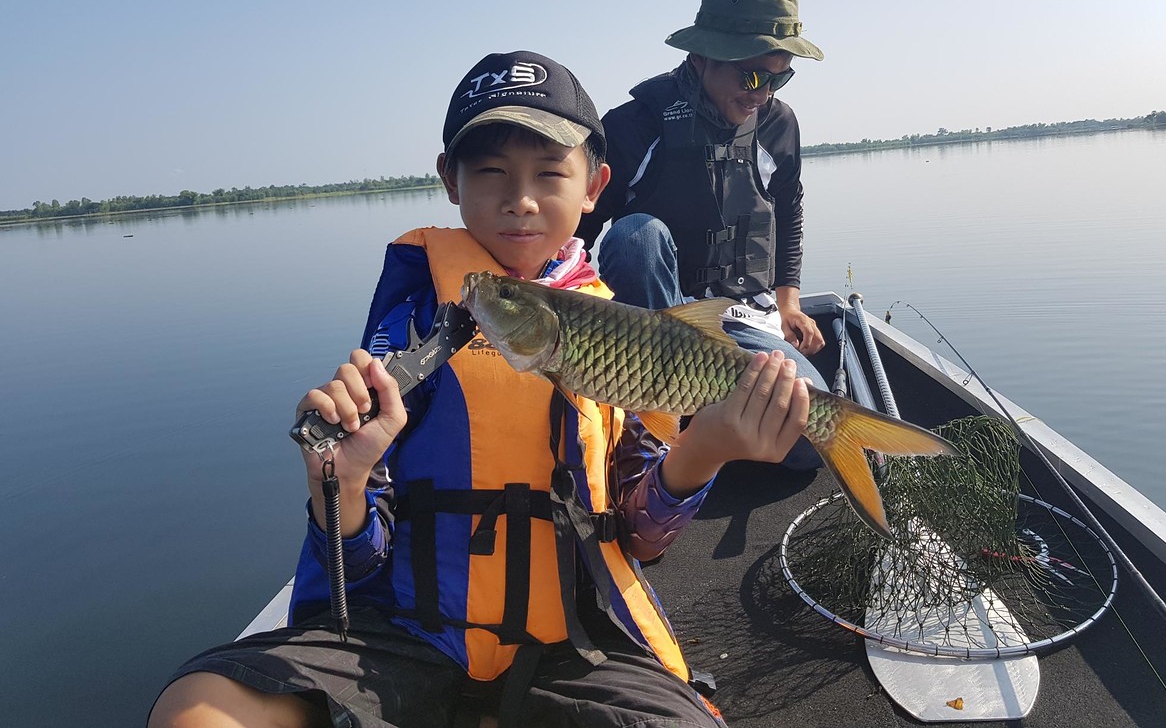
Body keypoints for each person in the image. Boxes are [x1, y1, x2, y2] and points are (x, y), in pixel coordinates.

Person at [149, 50, 815, 728]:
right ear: (451, 179)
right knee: (197, 710)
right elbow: (360, 556)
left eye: (550, 173)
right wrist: (341, 489)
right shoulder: (409, 334)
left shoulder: (628, 335)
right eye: (490, 171)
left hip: (578, 646)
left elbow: (642, 539)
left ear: (595, 186)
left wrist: (702, 451)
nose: (519, 199)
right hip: (407, 636)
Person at [577, 0, 828, 470]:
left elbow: (788, 209)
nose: (763, 92)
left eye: (780, 77)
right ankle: (659, 414)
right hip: (648, 336)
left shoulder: (779, 123)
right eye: (752, 76)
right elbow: (575, 236)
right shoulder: (631, 127)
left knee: (809, 440)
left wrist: (789, 302)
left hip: (742, 316)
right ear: (700, 57)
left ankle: (691, 428)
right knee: (636, 236)